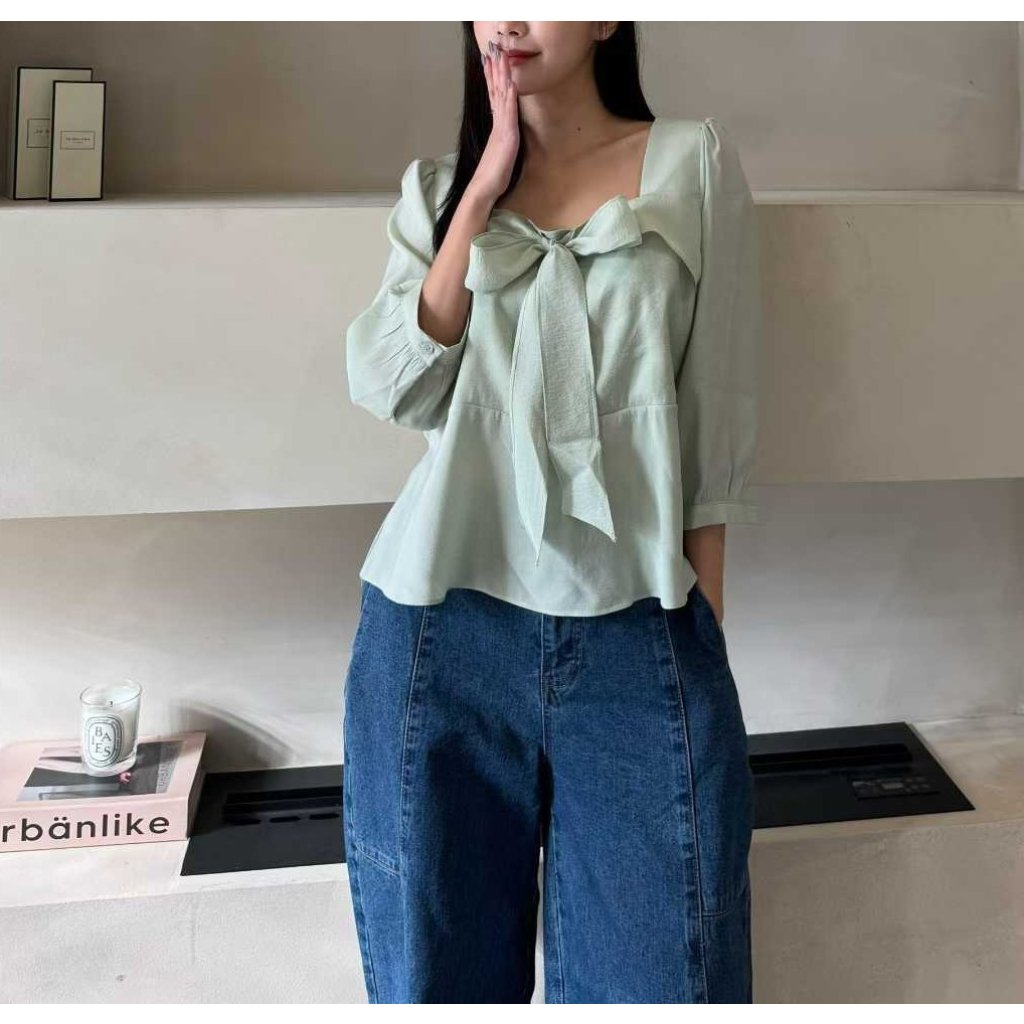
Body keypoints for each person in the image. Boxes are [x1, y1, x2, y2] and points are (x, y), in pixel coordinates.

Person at [342, 20, 761, 1004]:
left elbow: (719, 409)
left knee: (669, 982)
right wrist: (480, 191)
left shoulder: (692, 163)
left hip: (638, 630)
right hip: (438, 631)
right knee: (434, 983)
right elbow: (395, 389)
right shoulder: (435, 190)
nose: (510, 19)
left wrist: (700, 631)